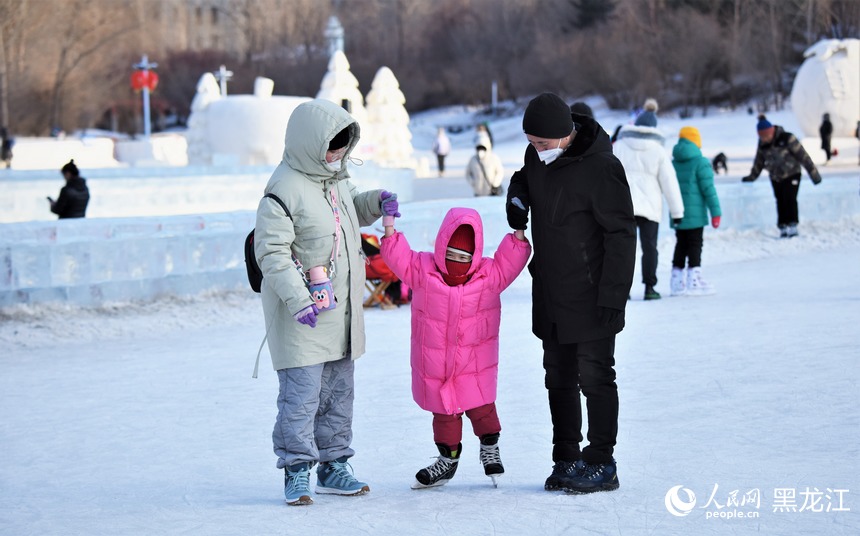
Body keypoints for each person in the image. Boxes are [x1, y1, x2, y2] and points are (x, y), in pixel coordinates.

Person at [253, 98, 400, 506]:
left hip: (341, 313)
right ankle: (297, 470)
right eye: (332, 147)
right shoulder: (282, 189)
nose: (338, 155)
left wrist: (378, 201)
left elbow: (352, 206)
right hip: (303, 316)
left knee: (338, 395)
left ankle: (334, 465)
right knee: (301, 399)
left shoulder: (334, 178)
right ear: (309, 144)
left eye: (342, 147)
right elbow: (271, 252)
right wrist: (299, 300)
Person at [505, 92, 636, 494]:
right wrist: (516, 197)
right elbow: (524, 179)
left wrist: (614, 296)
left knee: (596, 378)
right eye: (530, 143)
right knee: (557, 379)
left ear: (564, 136)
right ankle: (566, 457)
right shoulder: (536, 159)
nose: (535, 150)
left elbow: (621, 235)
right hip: (550, 291)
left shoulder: (602, 168)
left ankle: (601, 462)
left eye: (541, 143)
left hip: (593, 295)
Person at [380, 207, 531, 488]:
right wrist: (389, 225)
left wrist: (519, 230)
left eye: (463, 257)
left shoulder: (489, 277)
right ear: (440, 247)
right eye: (450, 255)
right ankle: (447, 461)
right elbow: (397, 257)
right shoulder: (423, 271)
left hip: (475, 364)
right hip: (437, 366)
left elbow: (512, 260)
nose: (456, 263)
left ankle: (489, 448)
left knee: (483, 409)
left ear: (474, 256)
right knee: (444, 415)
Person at [612, 98, 684, 300]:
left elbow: (607, 176)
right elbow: (669, 183)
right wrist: (677, 213)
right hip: (650, 208)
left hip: (623, 207)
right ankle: (649, 288)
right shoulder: (658, 151)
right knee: (649, 248)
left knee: (624, 249)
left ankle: (622, 290)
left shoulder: (619, 146)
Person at [742, 115, 822, 238]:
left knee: (790, 198)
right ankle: (783, 225)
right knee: (780, 200)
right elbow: (759, 162)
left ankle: (792, 225)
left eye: (766, 136)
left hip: (792, 173)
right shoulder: (762, 144)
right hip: (775, 176)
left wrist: (814, 174)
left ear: (771, 131)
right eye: (762, 137)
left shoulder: (787, 138)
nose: (765, 139)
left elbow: (803, 157)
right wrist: (751, 177)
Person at [670, 127, 722, 296]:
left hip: (677, 212)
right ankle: (694, 279)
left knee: (681, 243)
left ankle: (677, 280)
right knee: (695, 243)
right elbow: (709, 189)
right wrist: (716, 212)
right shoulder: (701, 162)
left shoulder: (673, 162)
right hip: (696, 213)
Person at [465, 132, 504, 196]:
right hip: (478, 192)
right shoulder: (473, 159)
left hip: (491, 192)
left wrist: (495, 183)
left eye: (483, 147)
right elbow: (467, 173)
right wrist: (472, 182)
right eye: (479, 147)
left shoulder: (494, 158)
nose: (481, 150)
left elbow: (500, 172)